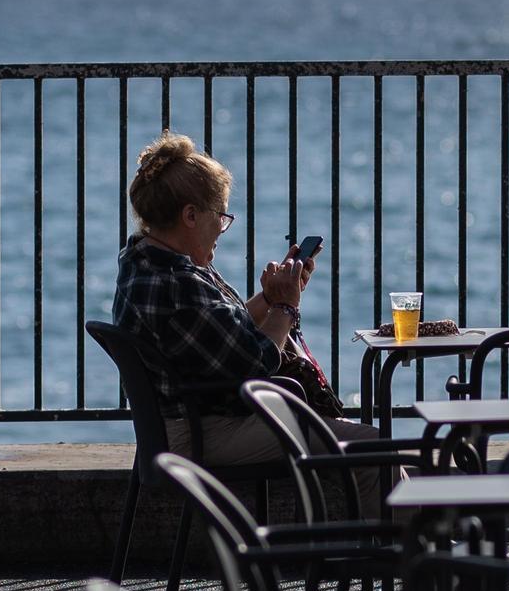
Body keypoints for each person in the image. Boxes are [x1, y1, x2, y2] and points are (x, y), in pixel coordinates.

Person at [113, 130, 389, 518]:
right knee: (373, 447)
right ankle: (419, 559)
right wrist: (287, 308)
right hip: (203, 432)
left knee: (376, 450)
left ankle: (425, 542)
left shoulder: (146, 263)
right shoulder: (179, 285)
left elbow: (216, 334)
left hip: (182, 424)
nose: (223, 229)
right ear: (190, 215)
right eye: (220, 217)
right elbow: (256, 364)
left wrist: (273, 300)